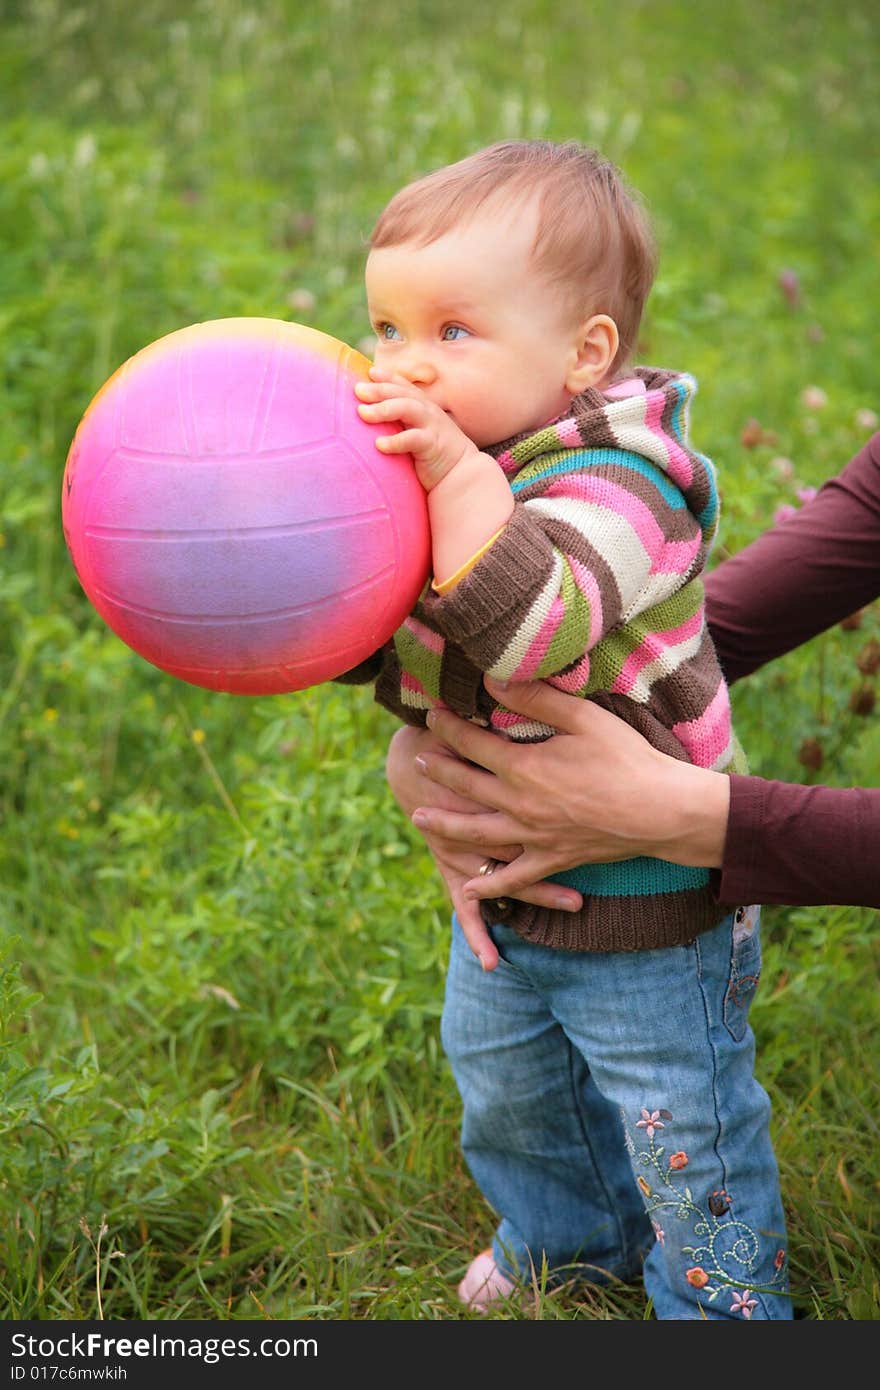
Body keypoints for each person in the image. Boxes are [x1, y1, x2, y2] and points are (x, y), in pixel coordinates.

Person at [344, 139, 791, 1319]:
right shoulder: (456, 466)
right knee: (510, 1086)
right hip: (509, 870)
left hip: (653, 888)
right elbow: (389, 630)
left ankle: (720, 1302)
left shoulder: (627, 478)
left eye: (451, 332)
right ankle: (565, 1240)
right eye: (385, 329)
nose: (407, 367)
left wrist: (446, 477)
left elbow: (536, 623)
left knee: (674, 1115)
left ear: (584, 351)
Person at [387, 429, 880, 922]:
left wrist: (696, 818)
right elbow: (860, 522)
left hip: (657, 921)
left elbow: (539, 630)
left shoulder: (613, 474)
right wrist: (437, 736)